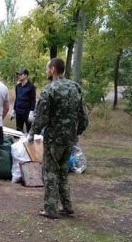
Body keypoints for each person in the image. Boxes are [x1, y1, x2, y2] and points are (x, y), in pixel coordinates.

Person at [28, 57, 88, 219]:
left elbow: (41, 116)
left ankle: (50, 209)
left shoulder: (50, 89)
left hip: (54, 139)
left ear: (53, 69)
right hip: (70, 139)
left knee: (50, 172)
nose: (46, 71)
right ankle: (67, 206)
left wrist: (32, 133)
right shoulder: (75, 88)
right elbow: (83, 116)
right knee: (63, 172)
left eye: (48, 68)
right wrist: (77, 132)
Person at [11, 68, 36, 132]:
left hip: (27, 112)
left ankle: (29, 142)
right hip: (18, 111)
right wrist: (14, 109)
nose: (18, 76)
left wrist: (32, 111)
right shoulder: (18, 86)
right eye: (18, 74)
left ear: (26, 75)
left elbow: (33, 100)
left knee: (29, 130)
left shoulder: (31, 86)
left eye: (20, 74)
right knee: (18, 131)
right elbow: (17, 98)